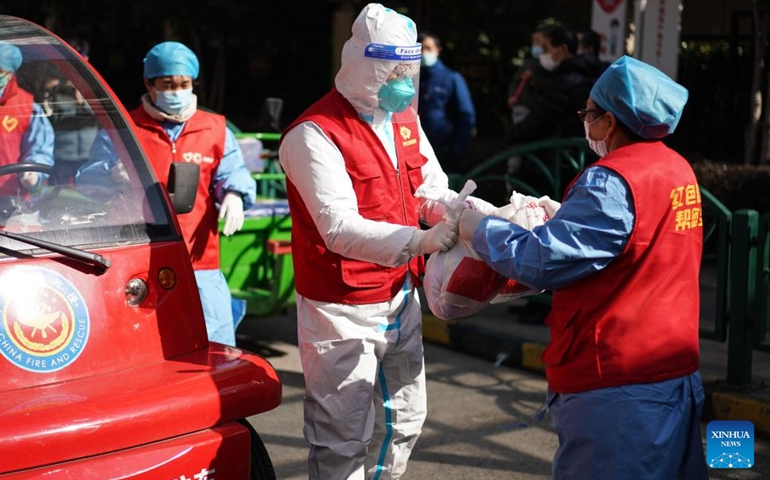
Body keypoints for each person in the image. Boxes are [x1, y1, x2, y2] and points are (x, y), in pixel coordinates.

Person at [458, 56, 707, 479]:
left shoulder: (610, 180)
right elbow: (633, 242)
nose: (585, 123)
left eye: (588, 114)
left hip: (614, 380)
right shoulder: (676, 168)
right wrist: (569, 218)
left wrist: (480, 229)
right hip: (673, 369)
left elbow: (540, 261)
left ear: (609, 123)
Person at [278, 4, 498, 478]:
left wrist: (468, 214)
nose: (404, 80)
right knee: (341, 439)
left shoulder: (404, 119)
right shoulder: (313, 135)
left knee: (406, 420)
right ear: (363, 64)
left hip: (401, 295)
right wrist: (421, 241)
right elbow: (337, 227)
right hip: (341, 308)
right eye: (393, 70)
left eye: (408, 69)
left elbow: (429, 189)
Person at [76, 42, 256, 347]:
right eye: (168, 84)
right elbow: (87, 179)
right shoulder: (126, 127)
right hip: (138, 254)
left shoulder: (214, 128)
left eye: (184, 84)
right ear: (149, 83)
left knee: (214, 342)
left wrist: (235, 194)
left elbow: (231, 173)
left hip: (199, 259)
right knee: (140, 342)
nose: (177, 90)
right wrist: (109, 175)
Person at [0, 42, 54, 199]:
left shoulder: (27, 106)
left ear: (11, 73)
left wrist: (34, 174)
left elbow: (40, 148)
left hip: (11, 200)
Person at [418, 31, 475, 173]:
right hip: (416, 148)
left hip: (444, 149)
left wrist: (456, 148)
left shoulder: (452, 78)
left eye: (428, 48)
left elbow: (466, 116)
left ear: (438, 50)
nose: (424, 52)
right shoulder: (412, 79)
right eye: (419, 49)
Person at [39, 67, 99, 183]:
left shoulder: (92, 92)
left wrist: (82, 100)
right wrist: (48, 91)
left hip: (87, 155)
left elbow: (102, 114)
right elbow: (46, 119)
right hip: (62, 156)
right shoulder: (56, 94)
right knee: (57, 191)